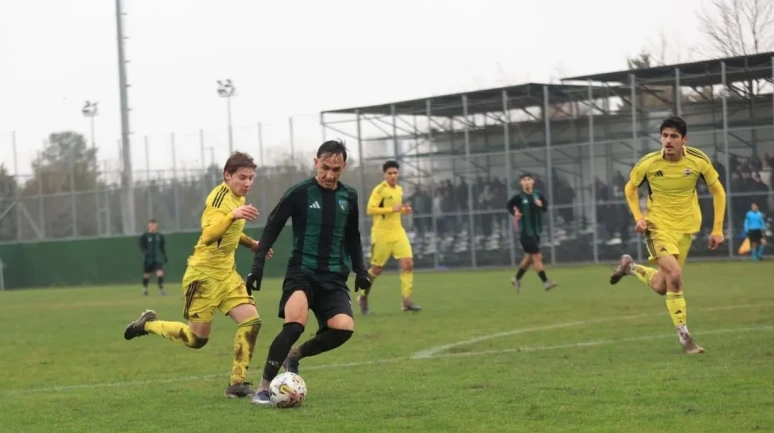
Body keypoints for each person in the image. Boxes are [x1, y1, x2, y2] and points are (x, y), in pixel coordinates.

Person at [123, 152, 273, 398]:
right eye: (242, 177)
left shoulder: (239, 197)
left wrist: (251, 243)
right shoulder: (219, 200)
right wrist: (231, 216)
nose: (247, 183)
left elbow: (231, 233)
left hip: (226, 275)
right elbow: (208, 234)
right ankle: (147, 324)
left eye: (251, 178)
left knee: (252, 321)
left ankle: (237, 382)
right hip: (202, 277)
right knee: (196, 339)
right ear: (227, 175)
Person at [245, 139, 372, 407]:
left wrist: (361, 270)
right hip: (302, 271)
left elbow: (352, 237)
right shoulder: (299, 192)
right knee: (295, 324)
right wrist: (258, 265)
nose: (329, 175)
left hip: (334, 276)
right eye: (325, 167)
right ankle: (264, 387)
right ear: (315, 162)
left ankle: (295, 356)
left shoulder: (348, 196)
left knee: (343, 328)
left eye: (336, 170)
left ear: (343, 168)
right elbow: (273, 227)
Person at [609, 116, 726, 354]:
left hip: (685, 229)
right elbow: (630, 188)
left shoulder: (698, 160)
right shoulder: (649, 163)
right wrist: (638, 217)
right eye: (664, 136)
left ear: (684, 139)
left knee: (663, 285)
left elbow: (718, 191)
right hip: (657, 227)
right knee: (675, 274)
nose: (668, 141)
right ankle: (685, 337)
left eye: (674, 136)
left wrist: (717, 229)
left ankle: (630, 267)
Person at [357, 160, 421, 316]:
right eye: (390, 173)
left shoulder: (399, 190)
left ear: (398, 174)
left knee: (408, 264)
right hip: (382, 234)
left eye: (395, 173)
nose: (393, 176)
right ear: (384, 174)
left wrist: (404, 210)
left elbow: (395, 211)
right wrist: (392, 208)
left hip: (398, 232)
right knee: (376, 269)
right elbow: (370, 209)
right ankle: (363, 297)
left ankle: (406, 301)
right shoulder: (379, 190)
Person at [507, 174, 557, 292]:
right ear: (521, 183)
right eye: (524, 180)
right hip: (525, 232)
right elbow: (509, 205)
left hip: (536, 231)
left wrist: (542, 205)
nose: (527, 181)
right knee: (537, 256)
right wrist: (514, 213)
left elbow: (545, 207)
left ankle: (516, 278)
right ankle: (546, 283)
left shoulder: (538, 194)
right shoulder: (519, 197)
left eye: (529, 179)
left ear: (533, 182)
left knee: (529, 258)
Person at [138, 219, 168, 296]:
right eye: (151, 225)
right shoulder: (144, 236)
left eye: (154, 225)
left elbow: (162, 247)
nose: (152, 227)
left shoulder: (159, 236)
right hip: (148, 260)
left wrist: (164, 256)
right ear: (148, 226)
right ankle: (145, 288)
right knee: (147, 276)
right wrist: (145, 253)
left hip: (157, 259)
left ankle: (161, 290)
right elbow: (141, 247)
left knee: (160, 273)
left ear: (156, 226)